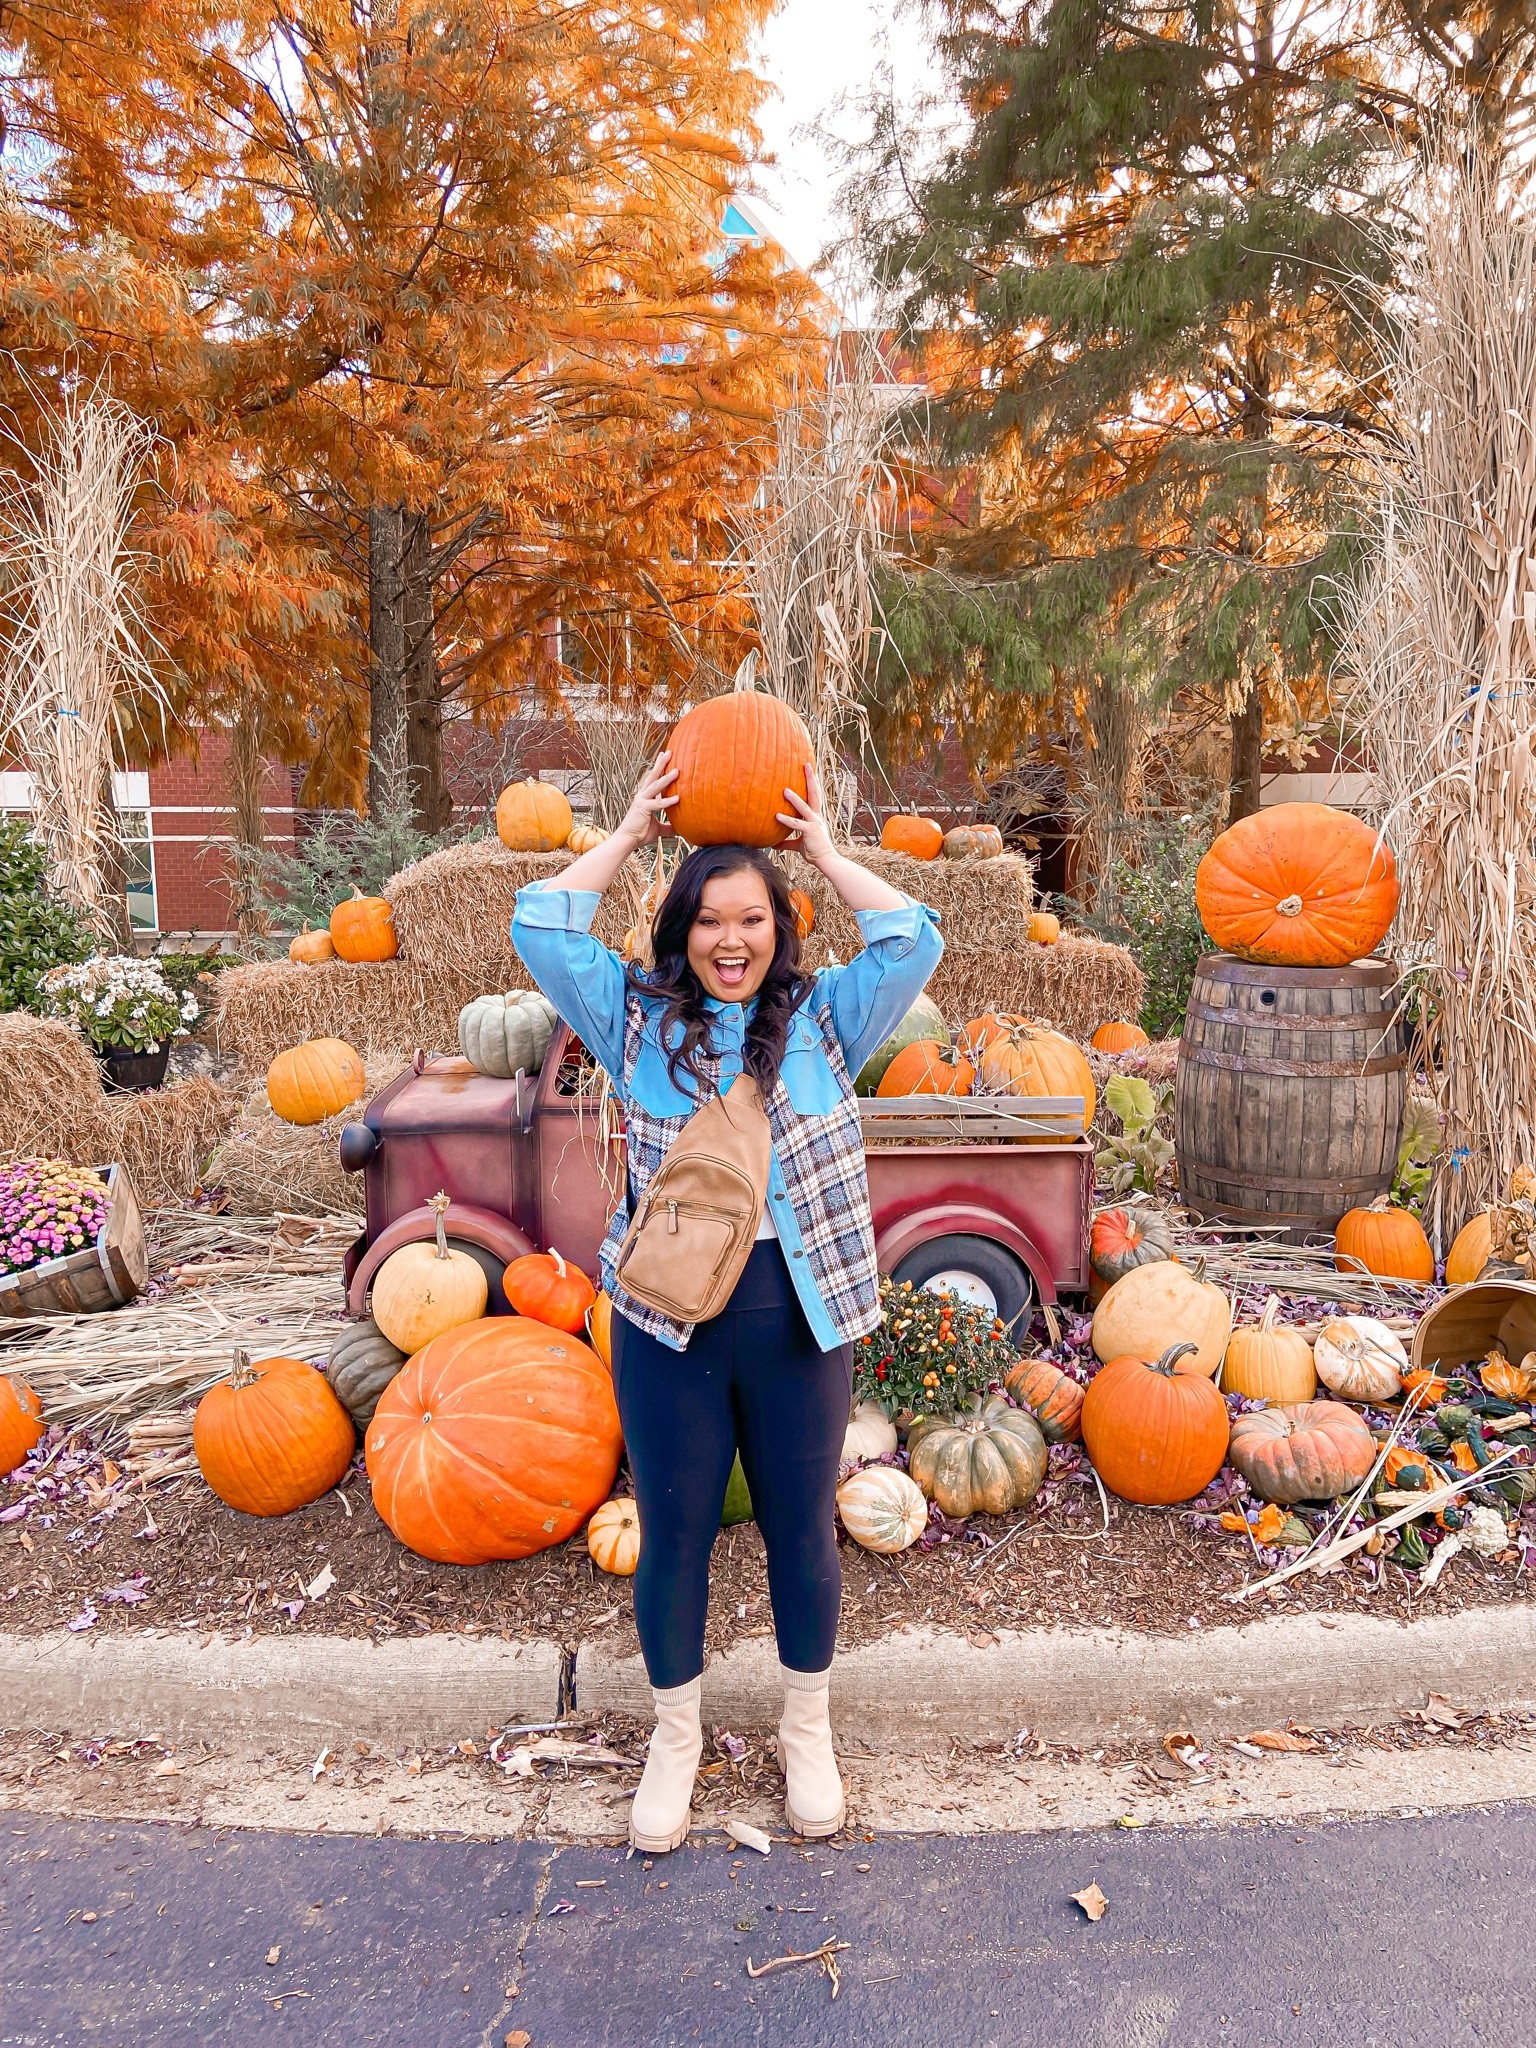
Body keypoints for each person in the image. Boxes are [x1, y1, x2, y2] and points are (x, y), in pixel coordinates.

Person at [511, 752, 942, 1851]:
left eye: (752, 918)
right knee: (677, 1533)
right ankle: (676, 1739)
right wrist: (628, 831)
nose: (730, 940)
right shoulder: (635, 1018)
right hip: (668, 1326)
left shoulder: (829, 1019)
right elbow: (541, 925)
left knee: (802, 1529)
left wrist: (825, 852)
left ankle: (808, 1732)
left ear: (780, 927)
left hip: (799, 1317)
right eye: (708, 920)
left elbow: (914, 940)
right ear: (681, 929)